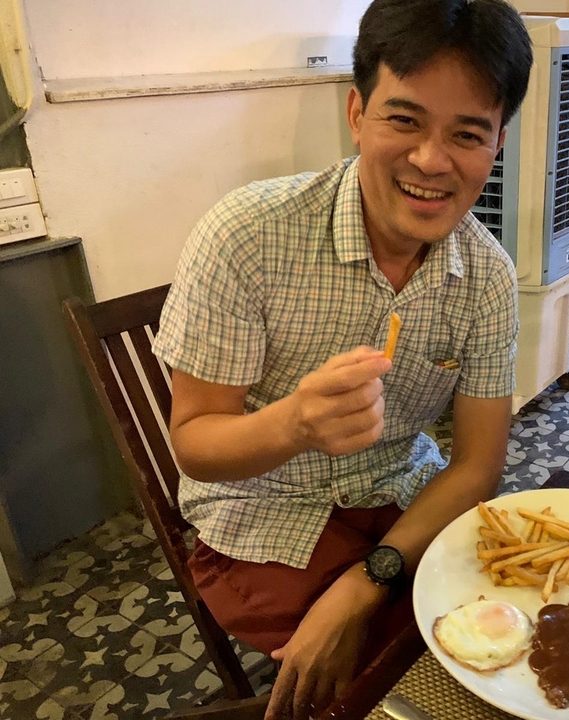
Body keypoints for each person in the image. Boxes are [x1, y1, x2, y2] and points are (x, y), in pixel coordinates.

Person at [152, 1, 533, 718]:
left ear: (497, 144)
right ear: (356, 112)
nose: (430, 160)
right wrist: (295, 422)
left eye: (467, 134)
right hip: (263, 514)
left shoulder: (487, 278)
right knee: (405, 674)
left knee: (506, 628)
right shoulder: (248, 236)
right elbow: (195, 445)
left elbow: (477, 466)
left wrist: (366, 581)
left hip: (400, 500)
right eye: (404, 119)